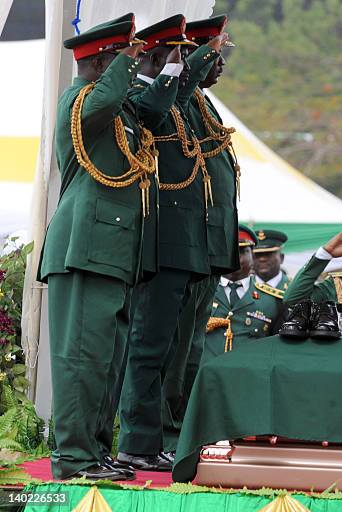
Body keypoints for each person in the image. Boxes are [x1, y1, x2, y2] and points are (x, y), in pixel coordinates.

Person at [37, 14, 151, 481]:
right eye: (125, 55)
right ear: (104, 58)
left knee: (106, 363)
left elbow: (158, 108)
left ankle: (95, 452)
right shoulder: (78, 99)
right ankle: (73, 459)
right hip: (83, 248)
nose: (134, 63)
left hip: (111, 250)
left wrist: (164, 72)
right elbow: (100, 101)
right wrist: (123, 65)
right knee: (81, 362)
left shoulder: (116, 108)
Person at [117, 14, 229, 471]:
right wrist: (187, 65)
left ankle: (153, 439)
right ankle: (137, 441)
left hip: (187, 245)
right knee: (148, 346)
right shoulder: (139, 97)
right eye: (183, 52)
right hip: (162, 243)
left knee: (168, 349)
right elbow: (151, 112)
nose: (215, 64)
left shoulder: (184, 101)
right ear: (164, 54)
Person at [160, 14, 240, 457]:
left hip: (207, 248)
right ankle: (163, 436)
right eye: (214, 54)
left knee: (189, 351)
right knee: (169, 351)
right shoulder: (178, 101)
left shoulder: (204, 106)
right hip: (183, 245)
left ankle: (180, 435)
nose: (221, 64)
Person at [204, 225, 286, 359]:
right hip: (205, 375)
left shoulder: (273, 300)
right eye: (228, 251)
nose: (234, 258)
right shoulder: (202, 292)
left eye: (242, 251)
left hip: (248, 376)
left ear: (253, 256)